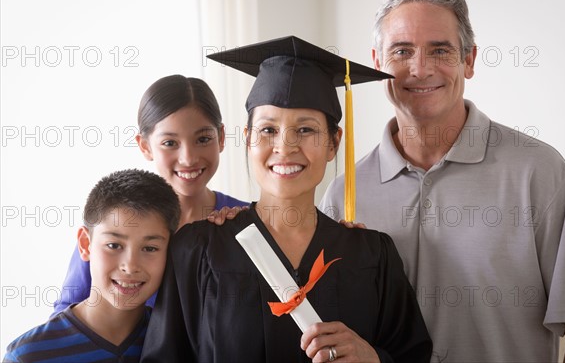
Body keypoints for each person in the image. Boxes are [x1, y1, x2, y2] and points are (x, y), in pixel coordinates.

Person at [319, 0, 565, 362]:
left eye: (440, 50)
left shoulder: (539, 173)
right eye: (402, 51)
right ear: (378, 62)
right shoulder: (344, 194)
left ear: (468, 60)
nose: (420, 69)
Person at [141, 36, 432, 362]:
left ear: (334, 143)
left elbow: (413, 354)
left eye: (306, 130)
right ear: (248, 139)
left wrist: (374, 359)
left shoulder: (373, 256)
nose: (285, 147)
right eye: (268, 130)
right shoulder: (198, 250)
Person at [52, 75, 248, 315]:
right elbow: (66, 314)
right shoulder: (114, 221)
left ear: (221, 138)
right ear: (145, 146)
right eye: (169, 143)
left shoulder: (244, 221)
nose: (188, 158)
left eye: (203, 139)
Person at [3, 169, 181, 362]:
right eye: (114, 245)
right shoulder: (28, 356)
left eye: (150, 248)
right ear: (85, 244)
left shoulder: (179, 345)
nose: (130, 266)